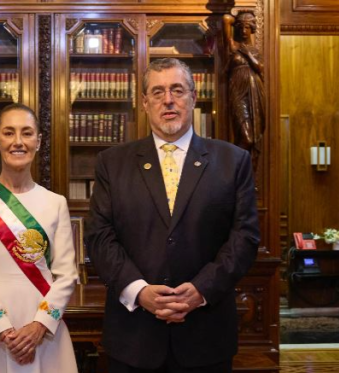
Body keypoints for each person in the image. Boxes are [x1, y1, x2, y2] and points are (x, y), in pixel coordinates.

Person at [86, 58, 260, 372]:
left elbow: (245, 237)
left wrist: (202, 289)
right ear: (144, 103)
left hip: (206, 336)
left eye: (177, 90)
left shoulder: (233, 161)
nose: (168, 100)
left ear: (193, 97)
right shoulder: (112, 163)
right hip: (133, 338)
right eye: (158, 92)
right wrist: (138, 291)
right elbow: (100, 237)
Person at [0, 104, 79, 373]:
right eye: (9, 133)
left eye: (27, 133)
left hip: (43, 330)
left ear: (38, 141)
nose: (18, 142)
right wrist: (2, 329)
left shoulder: (56, 203)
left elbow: (66, 275)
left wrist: (39, 326)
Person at [223, 11, 265, 174]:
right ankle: (234, 170)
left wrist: (247, 53)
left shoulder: (254, 51)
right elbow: (226, 19)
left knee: (254, 138)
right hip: (237, 92)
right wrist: (236, 18)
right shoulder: (233, 46)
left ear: (253, 28)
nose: (244, 30)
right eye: (241, 26)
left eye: (248, 27)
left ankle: (246, 175)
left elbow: (260, 68)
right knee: (246, 137)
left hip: (255, 91)